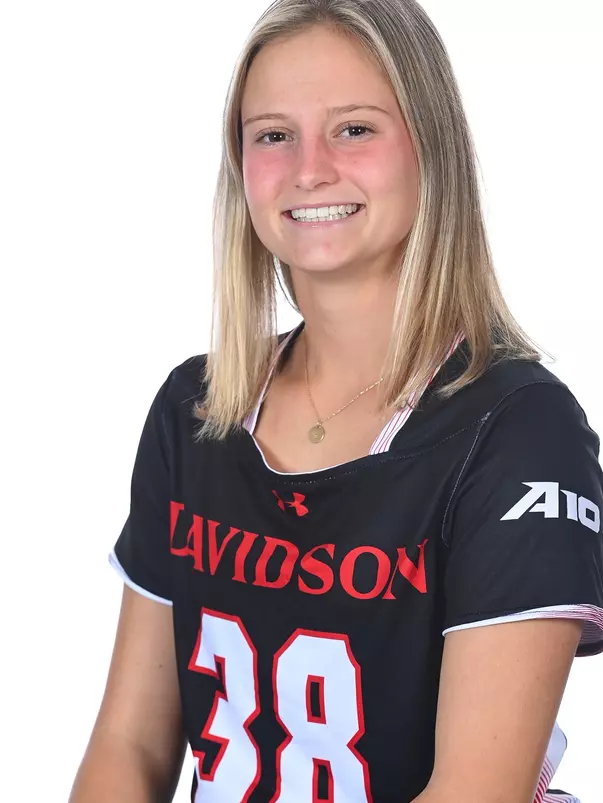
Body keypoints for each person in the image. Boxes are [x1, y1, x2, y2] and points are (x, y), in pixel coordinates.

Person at [69, 1, 603, 802]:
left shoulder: (518, 431)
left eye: (354, 129)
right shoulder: (195, 409)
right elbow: (129, 744)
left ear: (430, 148)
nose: (308, 169)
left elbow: (474, 788)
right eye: (272, 135)